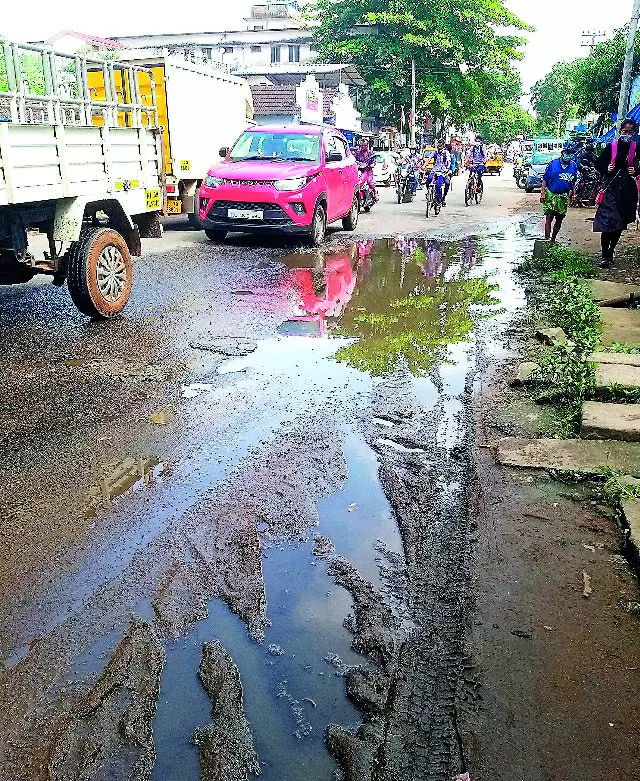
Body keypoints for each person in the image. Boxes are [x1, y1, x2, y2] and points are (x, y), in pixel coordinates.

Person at [594, 118, 640, 266]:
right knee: (607, 222)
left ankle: (611, 251)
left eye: (630, 132)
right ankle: (605, 254)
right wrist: (606, 168)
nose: (627, 134)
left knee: (620, 223)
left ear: (634, 133)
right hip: (610, 188)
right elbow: (598, 163)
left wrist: (636, 170)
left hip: (627, 190)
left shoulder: (636, 147)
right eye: (625, 131)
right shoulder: (611, 147)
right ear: (620, 131)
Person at [540, 146, 579, 243]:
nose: (568, 156)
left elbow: (573, 182)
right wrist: (543, 193)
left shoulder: (573, 166)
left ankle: (553, 239)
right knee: (549, 217)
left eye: (571, 154)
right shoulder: (553, 164)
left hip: (563, 196)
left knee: (559, 218)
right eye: (567, 153)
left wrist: (574, 195)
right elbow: (545, 179)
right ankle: (547, 239)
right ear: (562, 153)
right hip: (551, 194)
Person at [426, 139, 452, 206]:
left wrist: (448, 167)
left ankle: (440, 199)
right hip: (434, 170)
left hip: (442, 172)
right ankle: (429, 193)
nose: (439, 147)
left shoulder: (446, 153)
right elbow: (428, 160)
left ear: (443, 146)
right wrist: (423, 166)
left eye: (440, 145)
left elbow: (449, 161)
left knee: (438, 185)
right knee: (428, 179)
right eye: (438, 145)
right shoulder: (434, 152)